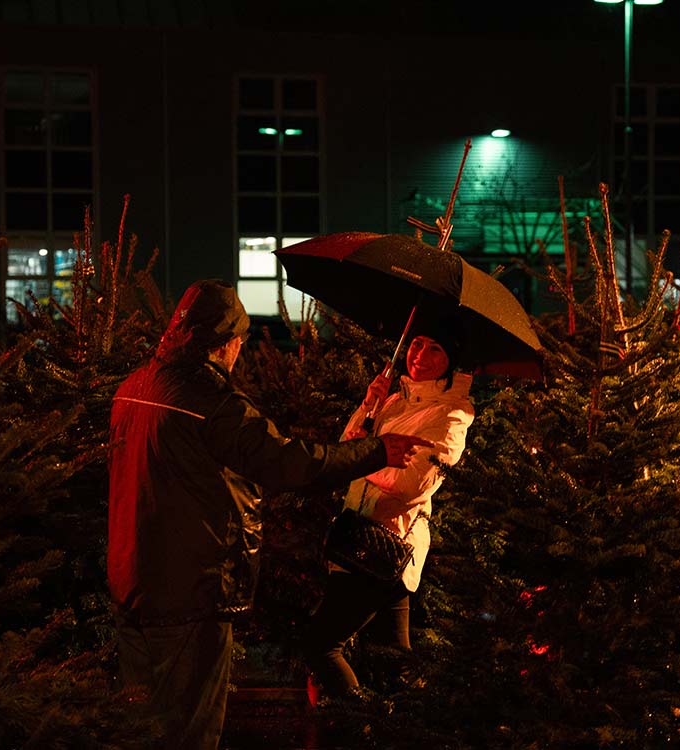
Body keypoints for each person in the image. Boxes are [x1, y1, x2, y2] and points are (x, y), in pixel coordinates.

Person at [107, 279, 431, 750]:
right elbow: (290, 463)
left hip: (130, 580)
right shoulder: (210, 404)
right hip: (190, 591)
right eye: (238, 344)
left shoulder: (133, 387)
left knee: (138, 728)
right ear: (226, 344)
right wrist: (375, 450)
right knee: (189, 731)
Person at [304, 327, 476, 702]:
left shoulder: (451, 414)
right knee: (393, 664)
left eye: (435, 348)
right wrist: (369, 406)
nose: (419, 355)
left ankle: (362, 731)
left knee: (319, 645)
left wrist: (362, 459)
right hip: (358, 537)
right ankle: (409, 732)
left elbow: (413, 483)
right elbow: (345, 450)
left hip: (385, 544)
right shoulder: (395, 400)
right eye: (416, 343)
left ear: (452, 361)